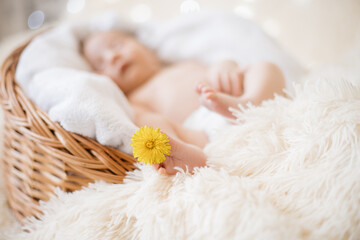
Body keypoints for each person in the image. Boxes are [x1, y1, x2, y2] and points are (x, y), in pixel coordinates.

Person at [82, 30, 286, 175]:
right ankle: (185, 154)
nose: (113, 56)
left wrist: (225, 67)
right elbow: (145, 120)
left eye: (117, 45)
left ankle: (246, 102)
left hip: (232, 100)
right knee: (148, 123)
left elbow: (217, 68)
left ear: (146, 49)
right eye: (101, 64)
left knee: (264, 68)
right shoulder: (135, 99)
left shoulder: (183, 63)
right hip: (200, 133)